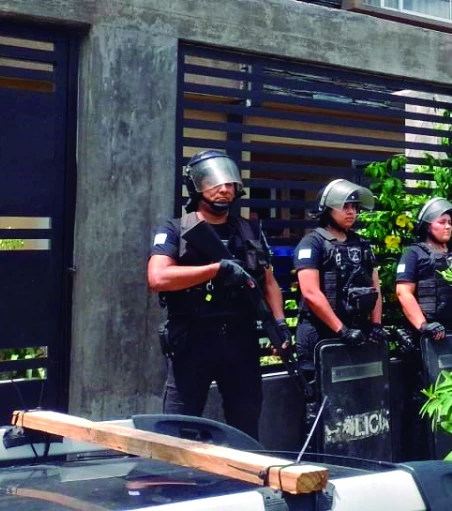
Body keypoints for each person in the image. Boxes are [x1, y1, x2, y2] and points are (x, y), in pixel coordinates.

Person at [147, 150, 286, 440]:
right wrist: (215, 270)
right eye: (214, 183)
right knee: (179, 427)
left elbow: (269, 282)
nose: (224, 189)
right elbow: (158, 277)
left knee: (246, 423)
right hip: (192, 339)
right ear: (196, 186)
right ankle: (178, 485)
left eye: (230, 183)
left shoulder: (248, 230)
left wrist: (279, 325)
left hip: (241, 339)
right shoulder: (176, 229)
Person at [293, 179, 383, 370]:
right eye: (345, 206)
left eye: (354, 207)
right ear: (327, 209)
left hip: (357, 332)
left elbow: (375, 287)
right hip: (320, 334)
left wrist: (376, 324)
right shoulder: (312, 243)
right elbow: (310, 292)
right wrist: (342, 330)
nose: (351, 212)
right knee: (320, 395)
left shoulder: (362, 244)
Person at [395, 198, 452, 340]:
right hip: (430, 333)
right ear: (427, 226)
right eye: (441, 222)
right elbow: (403, 292)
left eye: (449, 222)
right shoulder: (413, 253)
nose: (448, 226)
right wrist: (423, 325)